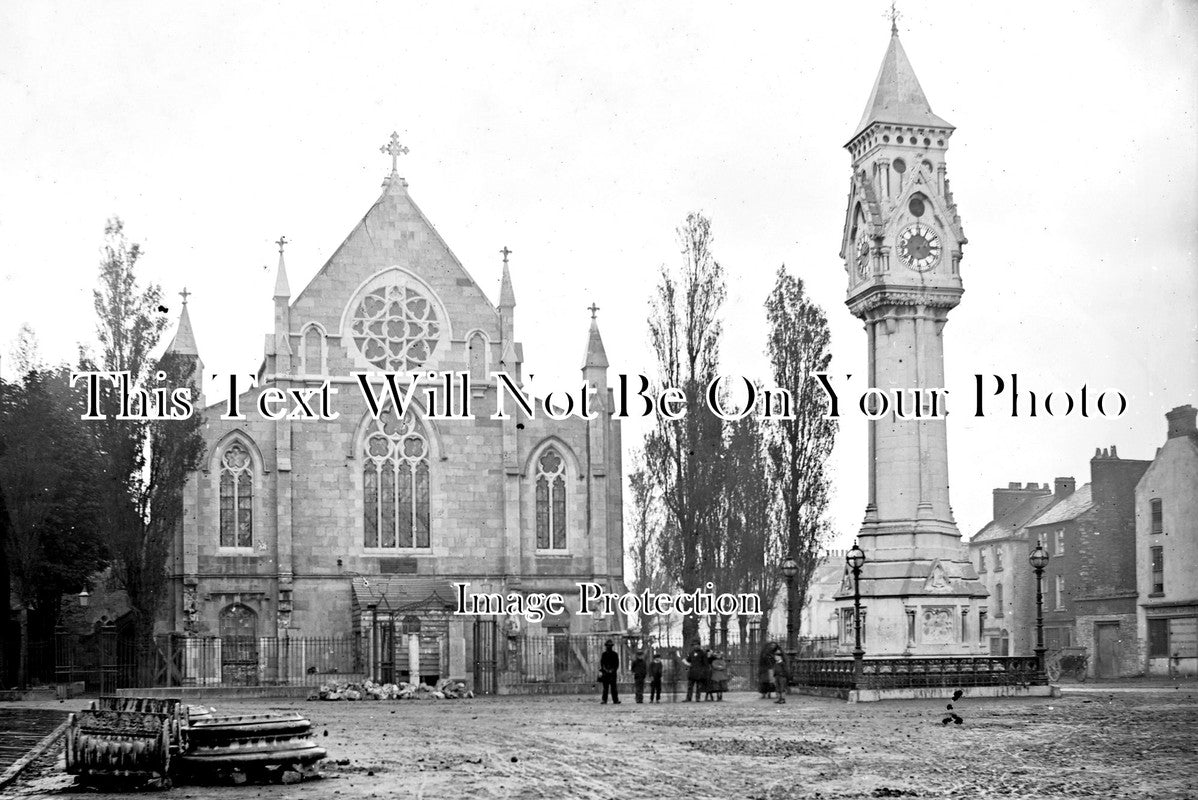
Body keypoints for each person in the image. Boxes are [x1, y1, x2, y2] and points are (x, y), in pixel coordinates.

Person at [599, 639, 621, 704]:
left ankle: (615, 700)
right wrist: (606, 670)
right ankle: (604, 700)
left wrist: (612, 670)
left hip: (613, 673)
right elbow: (602, 664)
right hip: (605, 673)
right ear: (606, 646)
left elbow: (617, 664)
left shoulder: (615, 654)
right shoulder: (604, 654)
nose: (609, 647)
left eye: (610, 646)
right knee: (605, 688)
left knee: (614, 688)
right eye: (608, 646)